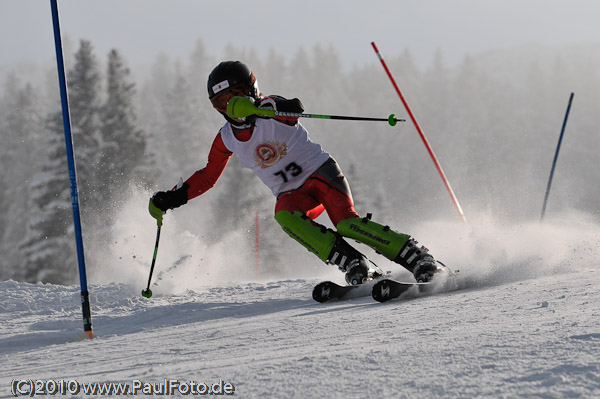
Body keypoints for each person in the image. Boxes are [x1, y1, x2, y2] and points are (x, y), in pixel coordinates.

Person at [149, 60, 445, 285]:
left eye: (235, 96)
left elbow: (294, 108)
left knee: (346, 223)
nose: (231, 107)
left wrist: (266, 108)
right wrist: (173, 199)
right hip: (293, 194)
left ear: (250, 91)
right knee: (284, 215)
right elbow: (208, 176)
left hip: (321, 174)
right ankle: (354, 263)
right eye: (222, 103)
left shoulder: (268, 108)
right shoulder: (226, 137)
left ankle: (415, 255)